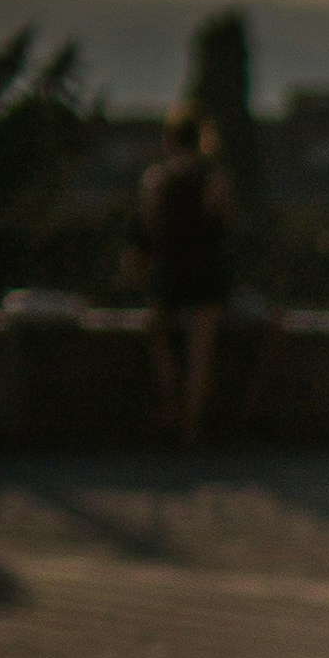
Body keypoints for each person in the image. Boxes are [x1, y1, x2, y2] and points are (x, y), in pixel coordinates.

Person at [135, 104, 233, 445]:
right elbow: (224, 226)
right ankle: (191, 426)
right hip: (206, 271)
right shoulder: (216, 177)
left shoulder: (156, 179)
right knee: (200, 353)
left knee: (156, 332)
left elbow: (149, 229)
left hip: (170, 272)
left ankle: (171, 406)